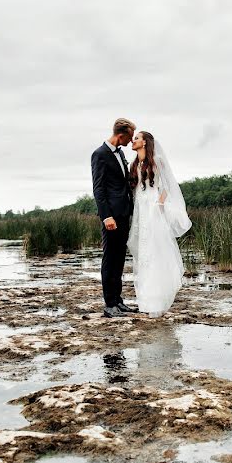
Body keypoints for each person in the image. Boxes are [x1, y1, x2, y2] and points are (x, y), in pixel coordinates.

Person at [126, 131, 192, 317]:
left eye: (137, 138)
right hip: (141, 211)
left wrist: (160, 205)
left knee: (156, 251)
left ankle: (159, 298)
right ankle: (147, 300)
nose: (134, 140)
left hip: (153, 209)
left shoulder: (158, 161)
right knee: (144, 253)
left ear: (145, 142)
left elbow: (167, 187)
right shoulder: (134, 164)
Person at [91, 118, 137, 318]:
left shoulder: (121, 153)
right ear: (121, 135)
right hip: (111, 217)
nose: (132, 140)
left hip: (124, 214)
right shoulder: (99, 154)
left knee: (119, 259)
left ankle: (118, 301)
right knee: (110, 259)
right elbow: (99, 189)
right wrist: (106, 216)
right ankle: (109, 304)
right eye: (130, 136)